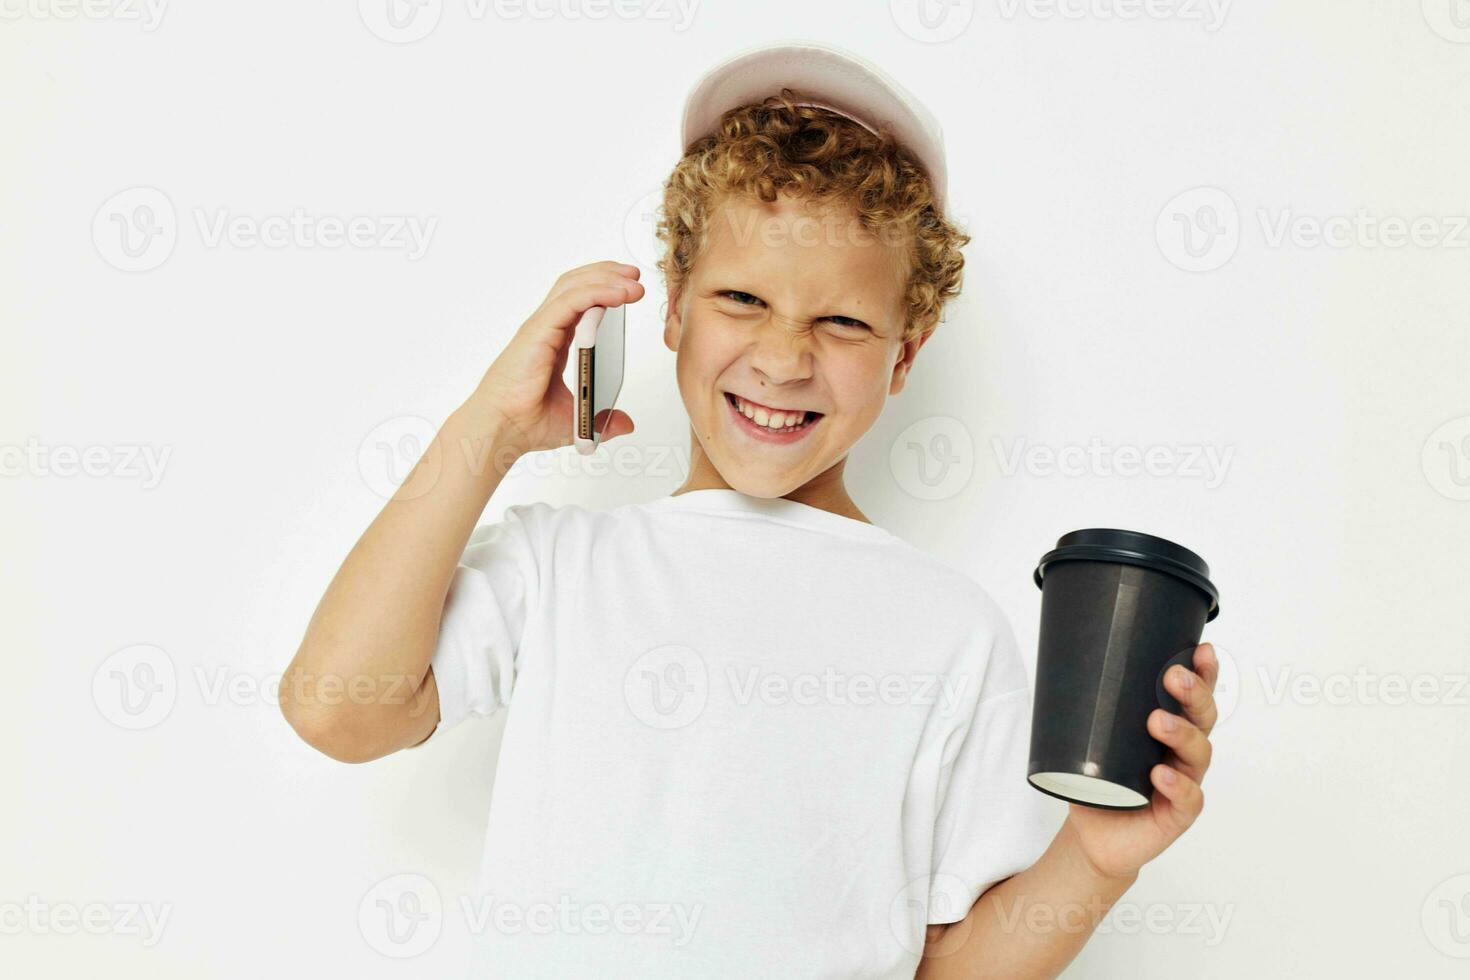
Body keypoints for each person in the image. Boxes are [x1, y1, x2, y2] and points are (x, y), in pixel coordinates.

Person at [278, 40, 1221, 979]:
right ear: (674, 310)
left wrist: (1093, 861)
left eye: (843, 322)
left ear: (904, 354)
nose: (781, 359)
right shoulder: (561, 565)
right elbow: (336, 712)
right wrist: (486, 430)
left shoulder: (953, 633)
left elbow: (953, 967)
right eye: (741, 298)